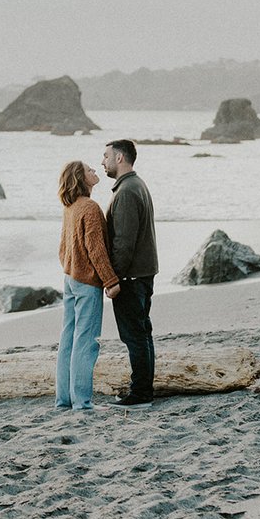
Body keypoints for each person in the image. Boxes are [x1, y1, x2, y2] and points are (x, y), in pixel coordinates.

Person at [55, 159, 120, 412]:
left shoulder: (70, 207)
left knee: (68, 340)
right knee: (86, 341)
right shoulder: (90, 208)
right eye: (89, 170)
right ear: (81, 179)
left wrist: (70, 267)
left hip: (70, 279)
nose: (95, 171)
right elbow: (96, 250)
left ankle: (64, 400)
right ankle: (82, 402)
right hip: (85, 282)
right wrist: (110, 281)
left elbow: (63, 249)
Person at [102, 139, 158, 407]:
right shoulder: (137, 185)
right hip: (143, 273)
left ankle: (141, 394)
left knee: (134, 336)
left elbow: (123, 242)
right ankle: (144, 390)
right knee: (142, 333)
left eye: (106, 157)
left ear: (120, 158)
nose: (103, 162)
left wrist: (113, 278)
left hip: (131, 277)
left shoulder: (125, 192)